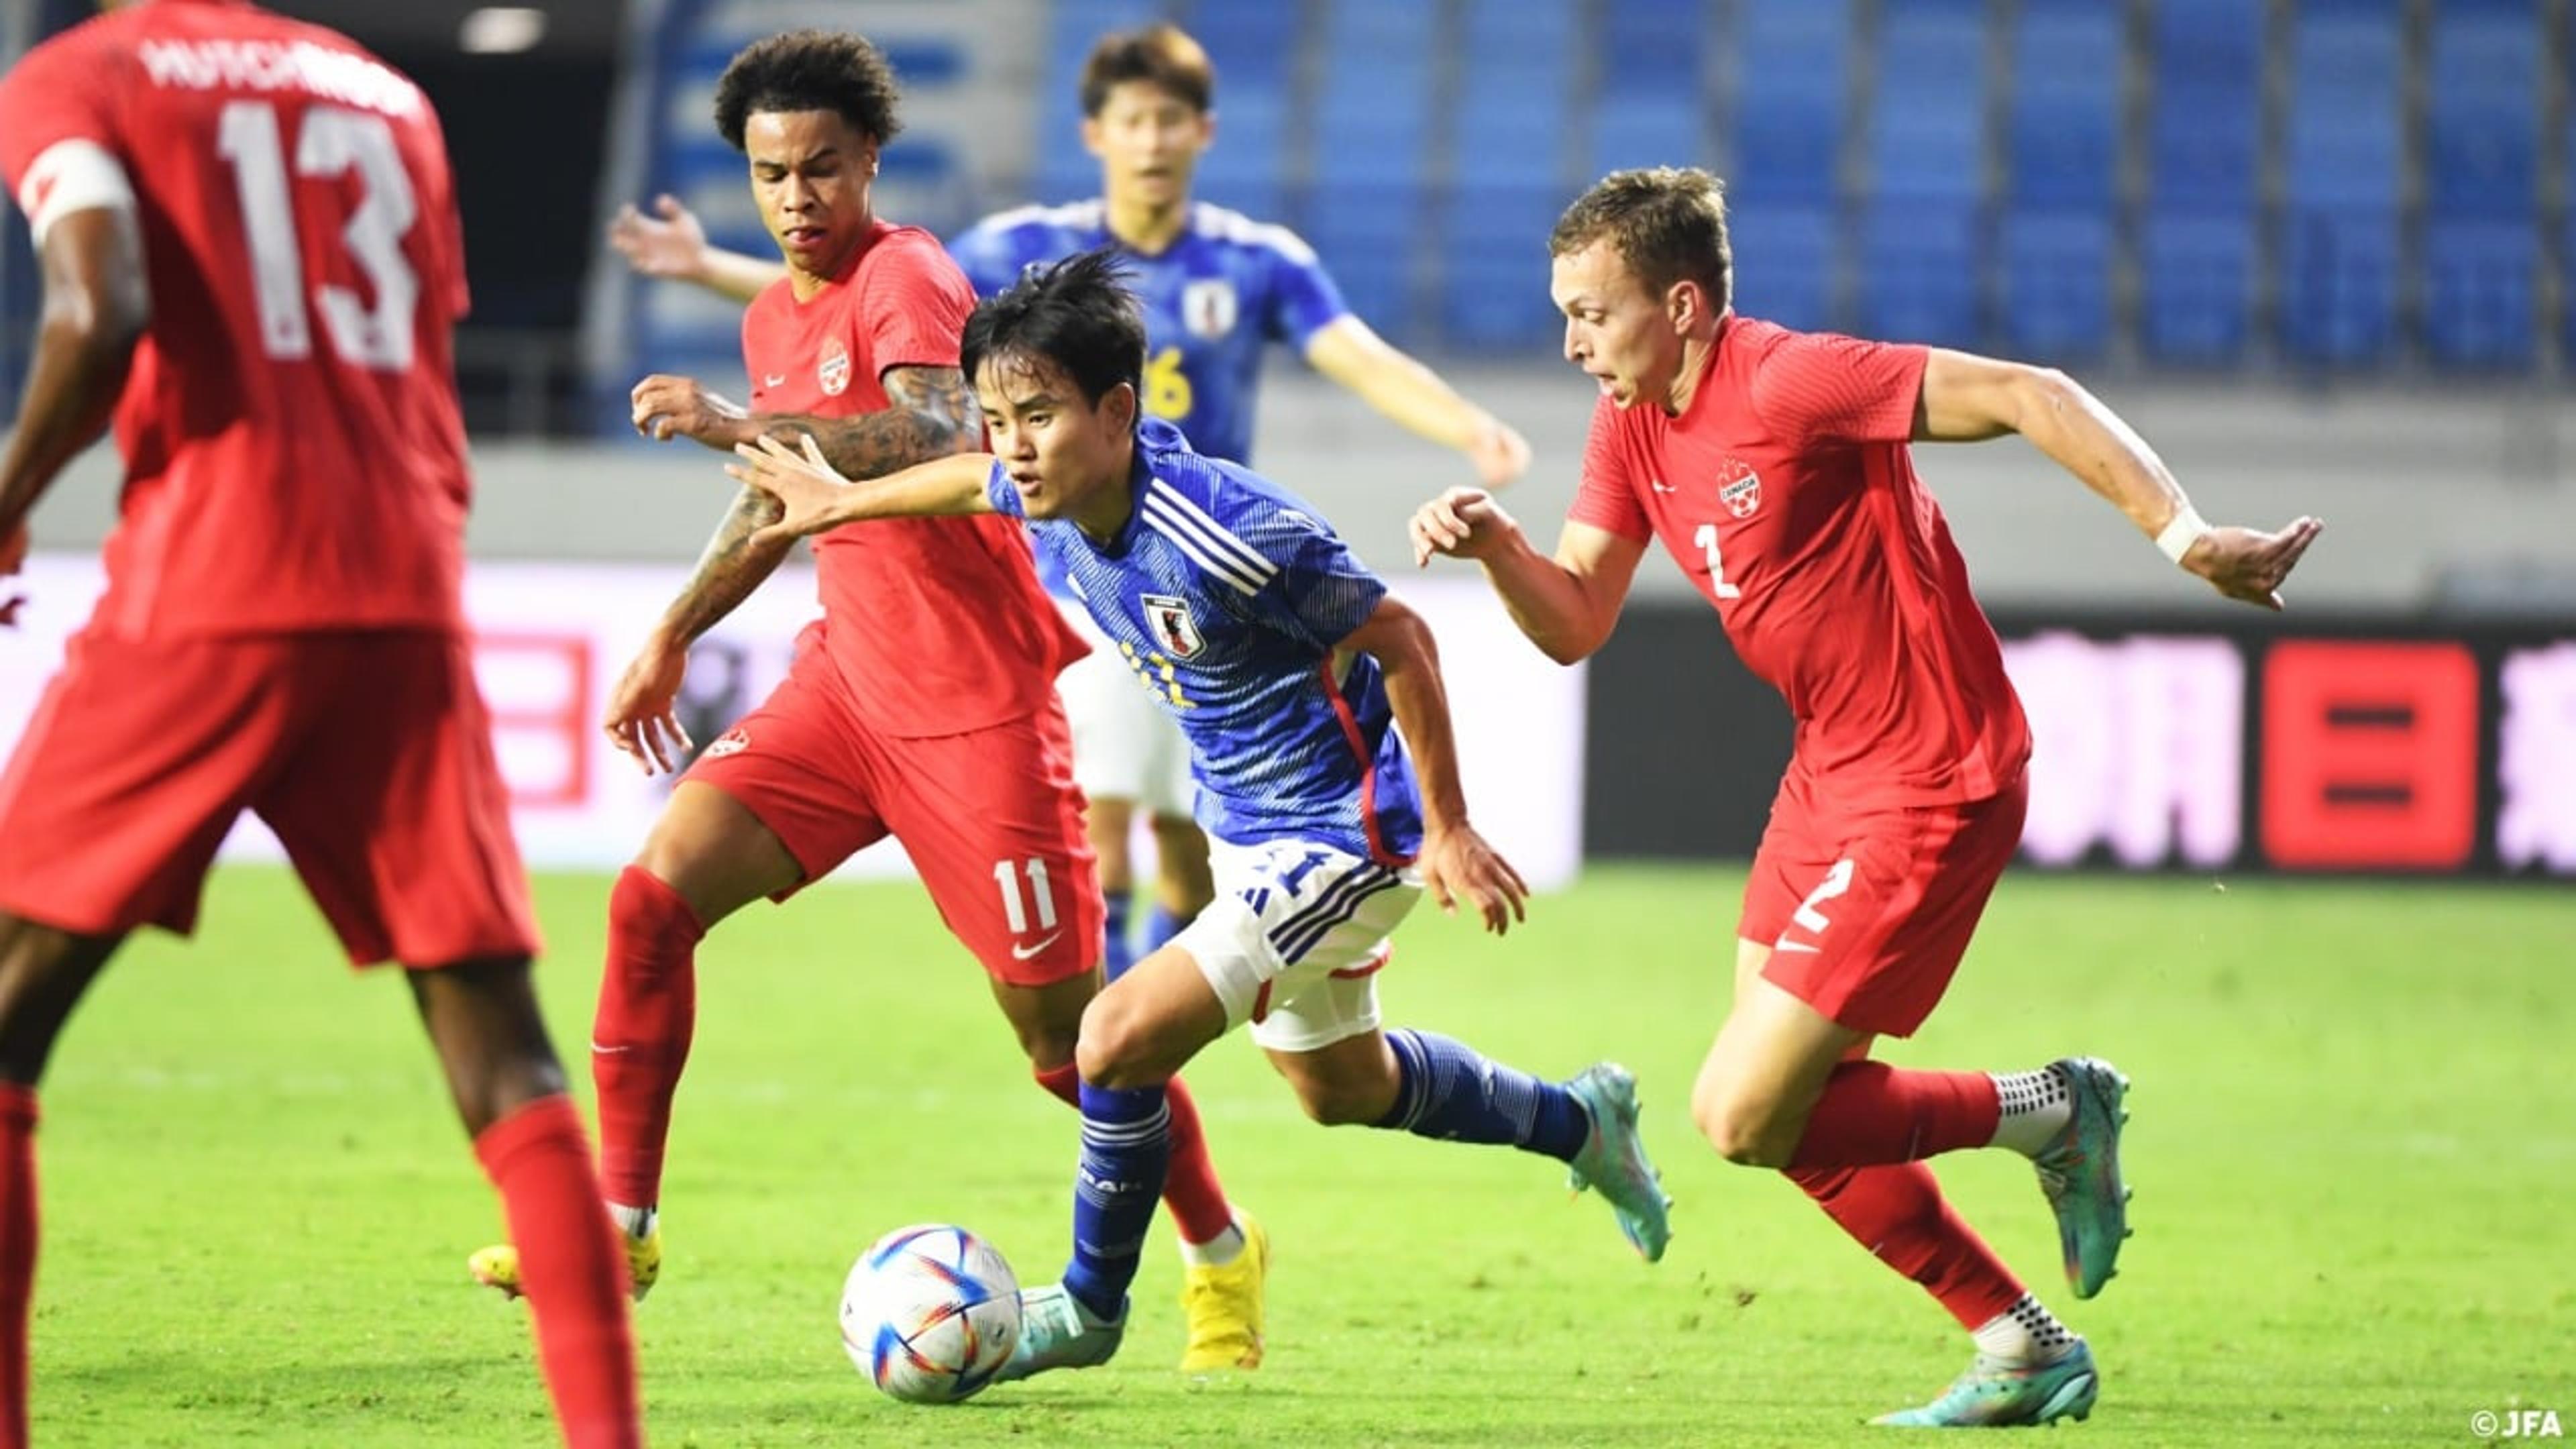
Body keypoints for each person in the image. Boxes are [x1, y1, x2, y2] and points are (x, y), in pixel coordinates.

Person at [1411, 167, 2324, 1428]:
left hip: (1934, 773)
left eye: (1593, 312)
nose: (1571, 343)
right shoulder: (1630, 423)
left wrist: (2185, 537)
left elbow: (2027, 393)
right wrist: (1500, 549)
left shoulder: (1788, 380)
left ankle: (2059, 1113)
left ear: (1681, 304)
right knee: (1785, 1117)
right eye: (1563, 313)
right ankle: (2019, 1340)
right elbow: (1575, 621)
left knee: (1738, 1112)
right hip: (1831, 766)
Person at [464, 30, 1271, 1375]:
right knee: (651, 898)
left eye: (821, 168)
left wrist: (739, 425)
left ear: (870, 162)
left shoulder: (906, 277)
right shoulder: (772, 316)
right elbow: (778, 498)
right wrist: (672, 629)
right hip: (842, 689)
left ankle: (1218, 1249)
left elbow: (951, 431)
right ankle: (623, 1224)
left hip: (975, 712)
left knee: (1070, 1043)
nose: (795, 198)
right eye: (772, 173)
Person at [721, 250, 1675, 1385]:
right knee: (1342, 1090)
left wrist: (1450, 829)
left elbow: (1403, 639)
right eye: (997, 417)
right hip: (1248, 826)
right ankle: (1582, 1124)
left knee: (1113, 1039)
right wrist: (843, 501)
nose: (1013, 444)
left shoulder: (1229, 529)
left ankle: (1087, 1310)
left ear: (1118, 411)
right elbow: (967, 479)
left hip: (1342, 827)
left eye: (1037, 416)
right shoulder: (1049, 487)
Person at [0, 3, 644, 1445]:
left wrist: (9, 503)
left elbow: (98, 311)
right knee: (502, 1051)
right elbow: (405, 353)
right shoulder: (385, 96)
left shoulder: (77, 76)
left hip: (217, 574)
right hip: (401, 585)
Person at [604, 21, 1533, 982]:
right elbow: (861, 287)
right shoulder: (1027, 247)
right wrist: (708, 268)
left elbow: (1358, 355)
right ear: (1097, 134)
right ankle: (1136, 995)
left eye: (1172, 121)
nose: (1153, 141)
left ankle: (1169, 983)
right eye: (1134, 120)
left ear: (1203, 133)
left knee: (1185, 831)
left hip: (1218, 570)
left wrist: (1466, 426)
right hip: (1085, 558)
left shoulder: (1257, 259)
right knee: (1112, 803)